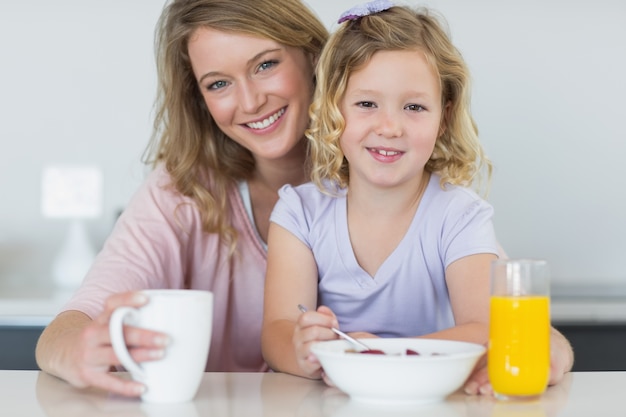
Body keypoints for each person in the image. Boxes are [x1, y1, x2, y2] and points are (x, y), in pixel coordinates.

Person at [261, 1, 573, 395]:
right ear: (333, 108)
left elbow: (487, 327)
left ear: (443, 117)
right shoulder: (300, 213)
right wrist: (300, 348)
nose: (389, 127)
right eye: (366, 104)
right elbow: (276, 332)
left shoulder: (459, 216)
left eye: (413, 107)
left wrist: (383, 355)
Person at [35, 0, 329, 398]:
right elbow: (66, 328)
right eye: (218, 84)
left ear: (312, 55)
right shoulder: (183, 190)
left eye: (265, 65)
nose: (249, 102)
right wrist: (75, 349)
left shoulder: (385, 173)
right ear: (199, 99)